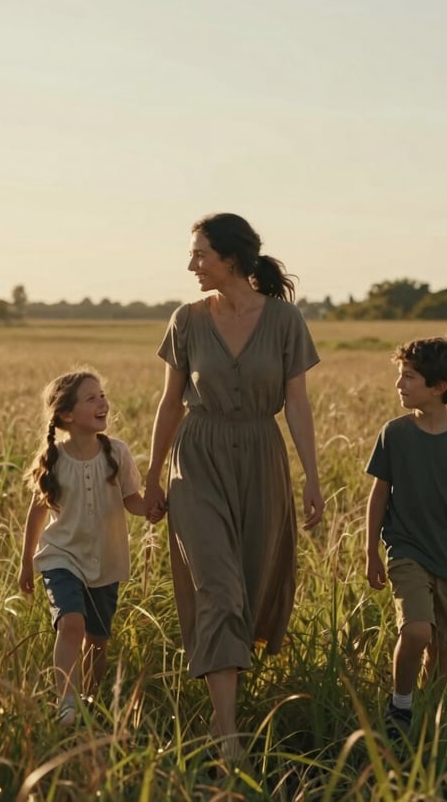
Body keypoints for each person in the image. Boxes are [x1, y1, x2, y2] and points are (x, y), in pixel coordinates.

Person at [143, 212, 324, 762]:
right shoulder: (188, 319)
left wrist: (313, 476)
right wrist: (151, 475)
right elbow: (171, 402)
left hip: (262, 459)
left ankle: (232, 702)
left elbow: (296, 402)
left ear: (233, 258)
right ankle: (228, 738)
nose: (192, 264)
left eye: (200, 253)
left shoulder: (285, 321)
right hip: (196, 459)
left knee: (247, 584)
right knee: (217, 586)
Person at [365, 336, 447, 739]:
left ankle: (432, 720)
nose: (400, 384)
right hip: (406, 548)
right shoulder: (395, 434)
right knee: (417, 630)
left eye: (409, 377)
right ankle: (401, 706)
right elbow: (379, 494)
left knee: (441, 649)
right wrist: (370, 550)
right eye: (399, 376)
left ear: (439, 387)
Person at [19, 369, 161, 726]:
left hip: (106, 559)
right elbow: (37, 516)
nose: (103, 403)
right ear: (67, 414)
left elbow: (133, 501)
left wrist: (154, 508)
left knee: (97, 640)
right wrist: (25, 565)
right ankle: (66, 701)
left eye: (102, 395)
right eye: (92, 398)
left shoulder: (118, 452)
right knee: (71, 624)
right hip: (61, 556)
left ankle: (89, 701)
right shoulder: (53, 459)